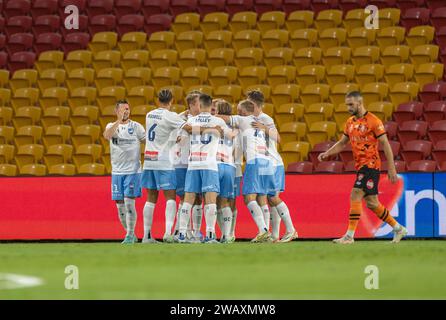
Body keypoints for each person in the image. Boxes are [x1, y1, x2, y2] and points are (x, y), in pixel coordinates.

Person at [318, 91, 408, 244]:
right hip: (360, 167)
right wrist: (327, 153)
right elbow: (342, 143)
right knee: (372, 203)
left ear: (360, 103)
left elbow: (385, 144)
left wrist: (392, 168)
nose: (348, 107)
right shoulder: (350, 122)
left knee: (355, 194)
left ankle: (349, 236)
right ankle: (399, 229)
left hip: (371, 165)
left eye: (351, 104)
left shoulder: (374, 121)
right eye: (347, 105)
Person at [177, 94, 229, 243]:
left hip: (193, 164)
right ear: (210, 104)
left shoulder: (191, 120)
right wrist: (213, 129)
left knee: (188, 199)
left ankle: (181, 234)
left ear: (199, 104)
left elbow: (184, 132)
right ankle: (210, 234)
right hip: (209, 164)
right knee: (210, 200)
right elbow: (225, 135)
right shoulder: (218, 121)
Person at [247, 90, 298, 243]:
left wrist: (265, 128)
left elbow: (278, 138)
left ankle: (291, 230)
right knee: (269, 198)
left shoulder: (265, 118)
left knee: (273, 197)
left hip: (273, 163)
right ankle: (274, 235)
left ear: (256, 104)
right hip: (265, 162)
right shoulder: (252, 119)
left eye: (249, 103)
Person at [221, 100, 273, 243]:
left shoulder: (244, 120)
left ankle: (263, 230)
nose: (236, 112)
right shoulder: (258, 122)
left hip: (254, 161)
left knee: (249, 197)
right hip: (266, 160)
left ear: (244, 111)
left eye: (238, 110)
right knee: (261, 197)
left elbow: (224, 118)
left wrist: (207, 116)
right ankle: (265, 231)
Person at [140, 89, 188, 243]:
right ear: (172, 100)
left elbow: (161, 133)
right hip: (164, 161)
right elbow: (185, 126)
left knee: (151, 197)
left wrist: (174, 140)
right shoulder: (171, 116)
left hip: (148, 160)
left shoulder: (149, 115)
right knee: (170, 197)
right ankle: (168, 233)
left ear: (158, 100)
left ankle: (147, 235)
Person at [103, 100, 145, 244]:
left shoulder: (137, 127)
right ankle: (130, 234)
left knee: (129, 203)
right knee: (120, 207)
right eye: (123, 109)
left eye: (127, 109)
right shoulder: (111, 126)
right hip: (117, 172)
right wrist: (119, 121)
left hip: (133, 171)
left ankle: (129, 234)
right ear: (117, 111)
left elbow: (147, 141)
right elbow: (107, 135)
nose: (126, 111)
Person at [173, 91, 204, 243]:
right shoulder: (179, 119)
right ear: (191, 105)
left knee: (198, 198)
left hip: (195, 163)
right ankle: (180, 231)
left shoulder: (197, 118)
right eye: (199, 104)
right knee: (184, 198)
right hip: (181, 163)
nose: (202, 107)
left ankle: (196, 232)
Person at [214, 99, 238, 243]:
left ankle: (223, 233)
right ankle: (228, 235)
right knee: (225, 201)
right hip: (230, 165)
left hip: (215, 164)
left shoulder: (214, 122)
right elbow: (237, 150)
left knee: (213, 201)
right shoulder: (236, 128)